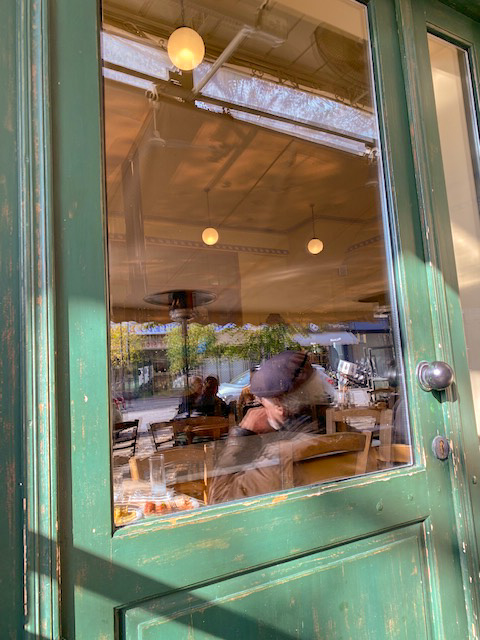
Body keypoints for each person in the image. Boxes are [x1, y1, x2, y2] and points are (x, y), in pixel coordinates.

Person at [208, 351, 327, 504]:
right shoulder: (339, 436)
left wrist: (242, 435)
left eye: (262, 404)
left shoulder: (278, 458)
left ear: (279, 407)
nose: (259, 410)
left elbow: (218, 501)